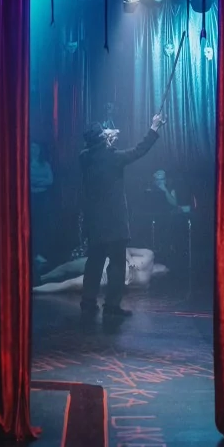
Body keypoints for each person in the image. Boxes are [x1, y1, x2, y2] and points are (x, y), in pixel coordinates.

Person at [78, 114, 166, 316]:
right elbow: (139, 150)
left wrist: (105, 142)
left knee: (94, 263)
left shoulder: (84, 158)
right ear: (102, 138)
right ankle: (111, 306)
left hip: (95, 222)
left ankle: (88, 302)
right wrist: (154, 128)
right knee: (117, 264)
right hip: (114, 221)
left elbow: (95, 151)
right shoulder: (113, 157)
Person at [32, 248, 168, 293]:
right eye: (166, 268)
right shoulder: (149, 255)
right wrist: (131, 262)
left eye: (166, 273)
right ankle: (42, 278)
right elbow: (125, 249)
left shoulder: (145, 284)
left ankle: (33, 290)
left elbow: (123, 288)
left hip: (107, 276)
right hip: (107, 261)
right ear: (161, 264)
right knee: (68, 266)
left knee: (69, 283)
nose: (164, 271)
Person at [30, 142, 54, 265]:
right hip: (32, 198)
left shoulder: (45, 164)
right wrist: (41, 182)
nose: (34, 150)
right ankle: (32, 253)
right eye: (32, 147)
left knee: (42, 225)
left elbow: (50, 180)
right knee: (33, 225)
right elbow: (28, 180)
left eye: (36, 147)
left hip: (43, 198)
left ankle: (40, 253)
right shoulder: (26, 164)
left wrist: (36, 182)